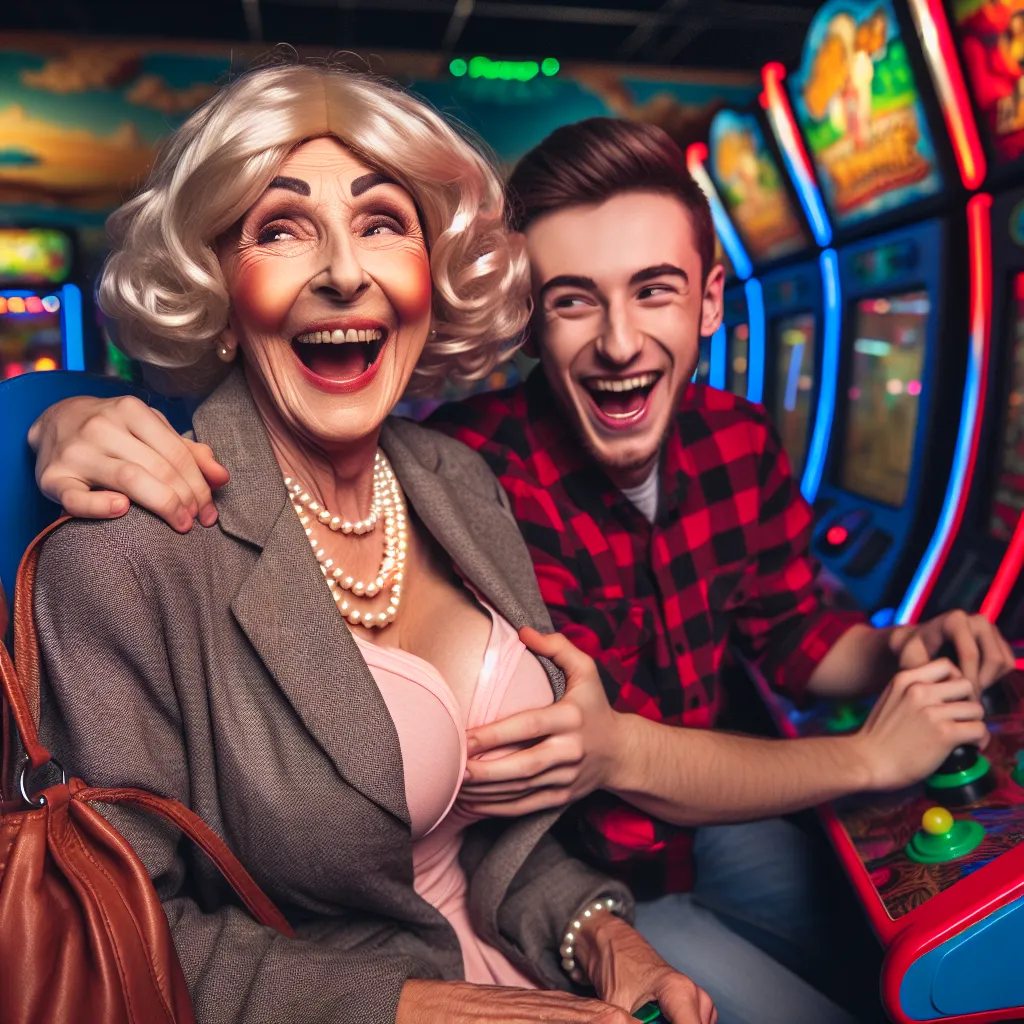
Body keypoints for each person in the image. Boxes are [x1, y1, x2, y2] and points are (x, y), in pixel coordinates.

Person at [28, 117, 1013, 1024]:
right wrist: (55, 414)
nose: (620, 343)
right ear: (525, 320)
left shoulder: (725, 440)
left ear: (711, 301)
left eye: (654, 290)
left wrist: (897, 650)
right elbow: (607, 756)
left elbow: (792, 636)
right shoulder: (482, 470)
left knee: (889, 966)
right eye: (573, 301)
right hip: (609, 853)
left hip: (629, 863)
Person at [28, 65, 718, 1024]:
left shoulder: (457, 483)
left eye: (384, 222)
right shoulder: (124, 557)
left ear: (431, 277)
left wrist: (605, 939)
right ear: (217, 289)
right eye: (280, 229)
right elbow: (116, 932)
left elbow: (497, 846)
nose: (345, 272)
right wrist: (433, 1010)